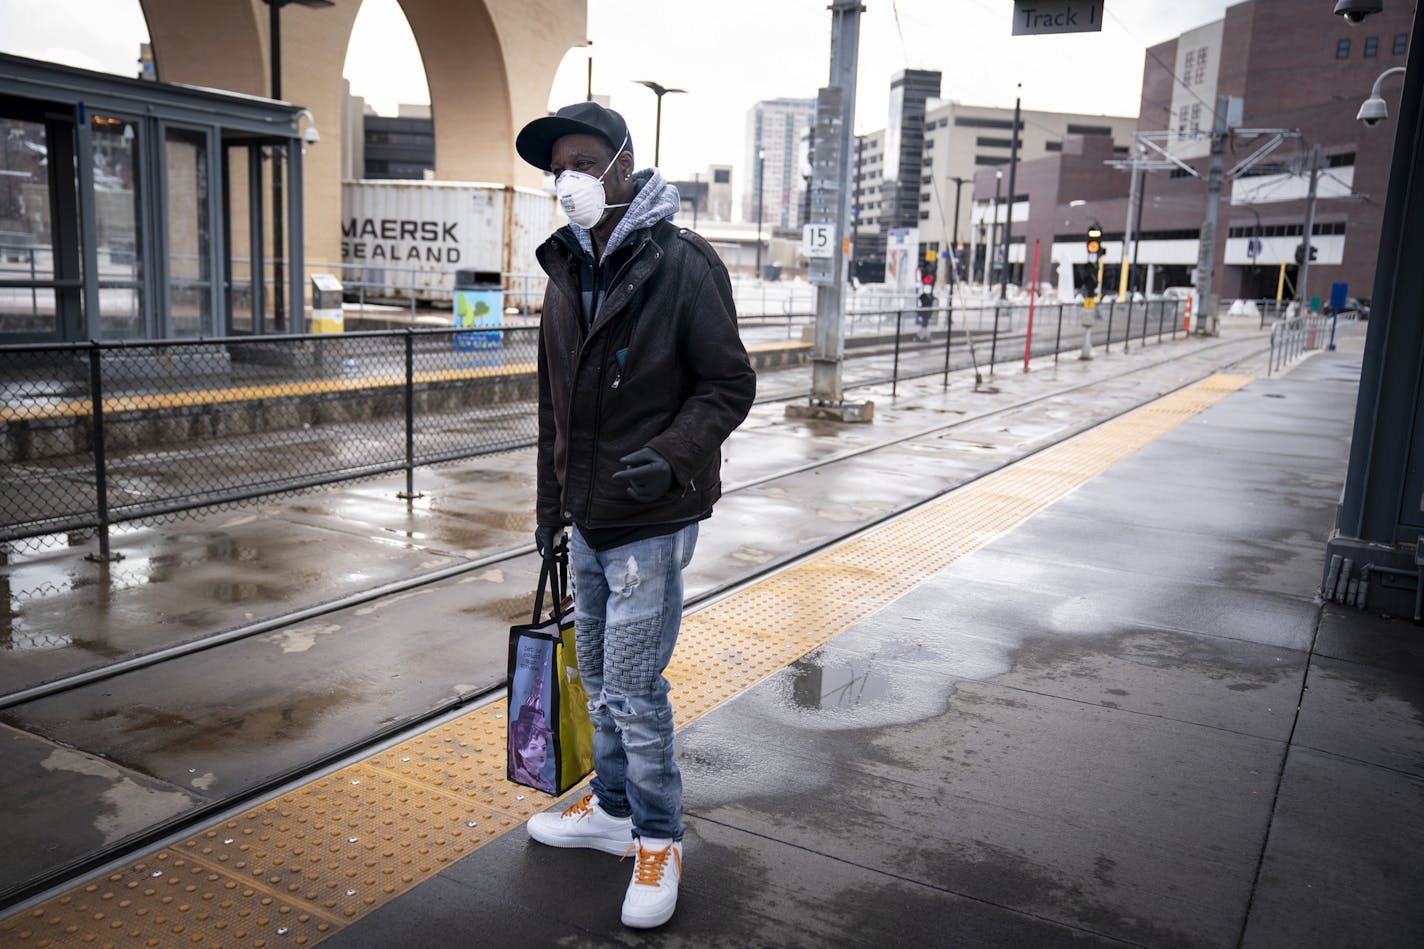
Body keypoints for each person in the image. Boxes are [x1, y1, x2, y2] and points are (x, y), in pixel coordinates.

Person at [515, 102, 756, 930]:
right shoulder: (563, 269)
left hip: (652, 518)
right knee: (601, 679)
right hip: (588, 517)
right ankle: (611, 807)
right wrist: (550, 511)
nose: (567, 181)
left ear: (623, 163)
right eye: (556, 169)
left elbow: (729, 383)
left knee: (632, 690)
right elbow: (553, 407)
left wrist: (677, 453)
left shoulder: (683, 264)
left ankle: (658, 837)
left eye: (581, 161)